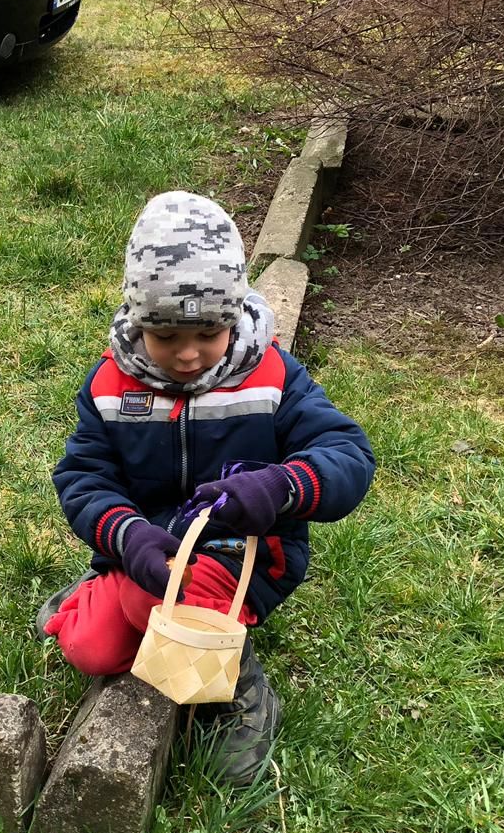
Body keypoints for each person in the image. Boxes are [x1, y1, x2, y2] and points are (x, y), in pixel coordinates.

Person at [38, 190, 375, 786]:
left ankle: (240, 693)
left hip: (242, 554)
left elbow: (348, 454)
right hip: (148, 547)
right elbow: (84, 477)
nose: (188, 355)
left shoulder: (273, 378)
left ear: (234, 316)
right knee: (91, 651)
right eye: (166, 337)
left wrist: (281, 486)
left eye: (208, 332)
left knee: (152, 604)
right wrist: (126, 535)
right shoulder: (111, 387)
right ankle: (105, 590)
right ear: (138, 321)